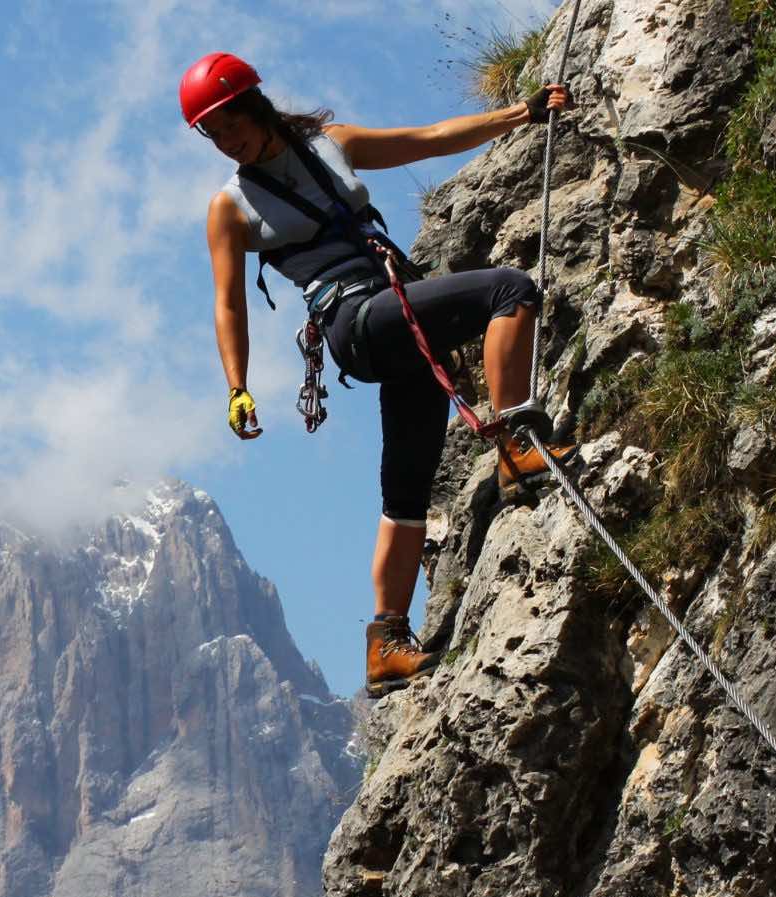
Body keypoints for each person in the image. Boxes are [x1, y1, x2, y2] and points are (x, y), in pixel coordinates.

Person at [184, 52, 576, 698]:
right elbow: (228, 302)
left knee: (408, 483)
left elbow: (426, 140)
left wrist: (522, 114)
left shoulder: (328, 146)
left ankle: (386, 642)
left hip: (393, 315)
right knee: (510, 289)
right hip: (355, 322)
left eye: (230, 124)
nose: (227, 141)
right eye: (215, 134)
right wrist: (237, 386)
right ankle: (514, 444)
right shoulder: (229, 208)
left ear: (254, 104)